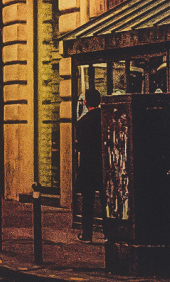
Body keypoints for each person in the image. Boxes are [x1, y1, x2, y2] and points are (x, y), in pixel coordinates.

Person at [73, 88, 104, 242]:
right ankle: (108, 232)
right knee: (106, 200)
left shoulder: (82, 123)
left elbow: (79, 146)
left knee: (88, 202)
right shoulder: (105, 119)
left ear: (85, 102)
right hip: (103, 165)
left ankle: (87, 234)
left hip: (88, 166)